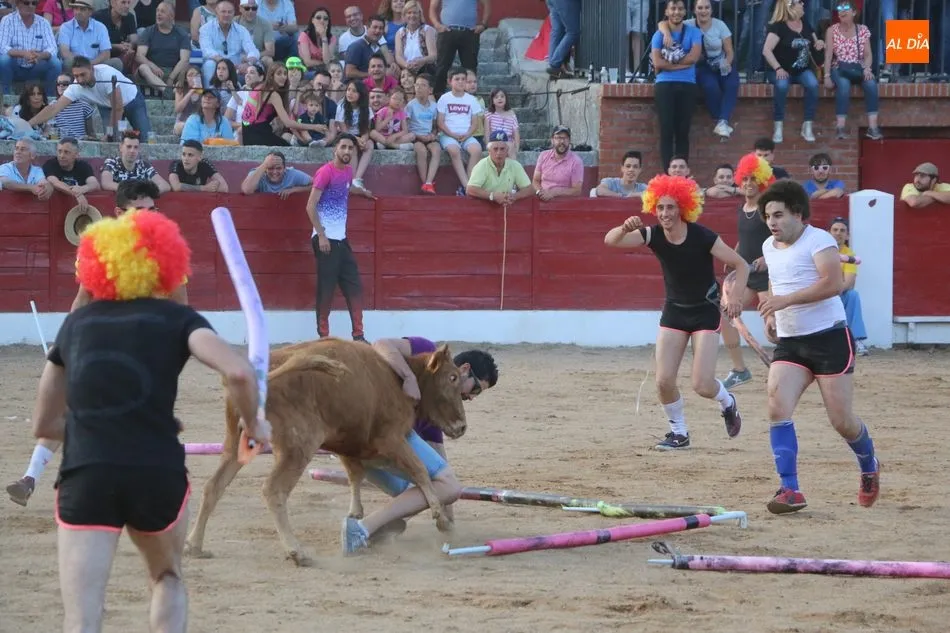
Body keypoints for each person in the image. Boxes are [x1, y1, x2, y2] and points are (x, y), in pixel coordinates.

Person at [30, 208, 269, 633]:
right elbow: (238, 373)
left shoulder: (76, 325)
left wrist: (98, 428)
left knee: (82, 617)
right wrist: (254, 424)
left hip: (88, 471)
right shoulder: (179, 320)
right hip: (156, 470)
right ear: (167, 265)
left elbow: (44, 424)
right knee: (167, 578)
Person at [757, 180, 880, 514]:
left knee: (842, 421)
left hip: (829, 338)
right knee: (777, 407)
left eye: (779, 215)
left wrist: (785, 301)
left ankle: (869, 465)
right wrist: (773, 314)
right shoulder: (769, 246)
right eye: (768, 216)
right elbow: (776, 282)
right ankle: (790, 489)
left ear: (798, 214)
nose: (772, 222)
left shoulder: (820, 239)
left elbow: (833, 283)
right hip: (791, 343)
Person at [604, 175, 748, 450]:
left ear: (683, 208)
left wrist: (736, 298)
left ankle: (727, 401)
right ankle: (679, 433)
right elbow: (611, 241)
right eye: (660, 207)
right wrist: (624, 228)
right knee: (663, 381)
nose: (665, 213)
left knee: (703, 385)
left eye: (670, 207)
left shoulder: (703, 236)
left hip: (704, 311)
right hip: (674, 311)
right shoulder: (653, 234)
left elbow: (741, 264)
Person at [341, 335, 498, 552]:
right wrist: (409, 378)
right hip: (377, 430)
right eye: (476, 389)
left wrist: (449, 523)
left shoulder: (434, 408)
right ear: (464, 369)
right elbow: (381, 344)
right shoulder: (427, 351)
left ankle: (374, 529)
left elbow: (440, 463)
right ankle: (363, 528)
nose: (472, 397)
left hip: (356, 444)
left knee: (414, 491)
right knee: (447, 487)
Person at [305, 134, 376, 341]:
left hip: (341, 240)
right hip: (325, 239)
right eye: (343, 147)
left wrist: (361, 192)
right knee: (326, 289)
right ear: (334, 149)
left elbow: (346, 187)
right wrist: (321, 235)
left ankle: (359, 335)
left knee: (353, 285)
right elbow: (310, 206)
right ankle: (324, 337)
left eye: (350, 148)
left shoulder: (347, 171)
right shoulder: (325, 172)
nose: (347, 151)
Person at [720, 153, 775, 389]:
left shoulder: (768, 208)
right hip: (748, 274)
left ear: (762, 180)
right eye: (745, 179)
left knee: (774, 325)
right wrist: (735, 254)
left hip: (769, 276)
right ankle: (739, 369)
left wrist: (766, 258)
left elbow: (782, 239)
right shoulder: (742, 208)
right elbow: (746, 239)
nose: (749, 183)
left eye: (753, 179)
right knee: (726, 313)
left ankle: (787, 369)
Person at [829, 216, 868, 356]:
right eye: (835, 230)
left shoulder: (849, 254)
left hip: (837, 293)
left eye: (842, 230)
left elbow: (849, 283)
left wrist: (832, 292)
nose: (838, 233)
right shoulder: (820, 251)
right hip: (818, 294)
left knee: (852, 295)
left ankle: (856, 340)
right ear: (829, 233)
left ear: (847, 236)